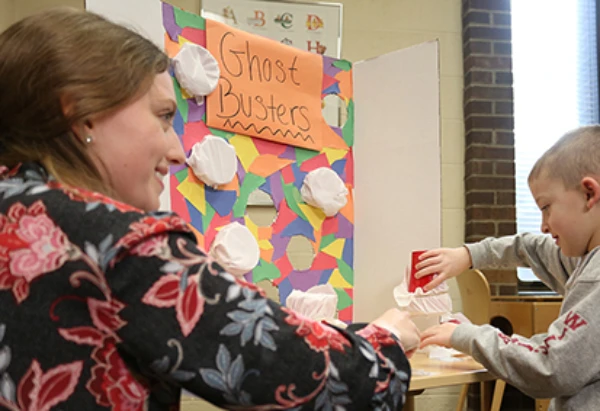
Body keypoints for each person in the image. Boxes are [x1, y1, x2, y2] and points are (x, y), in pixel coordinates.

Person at [0, 7, 419, 411]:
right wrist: (387, 338)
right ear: (80, 111)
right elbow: (318, 380)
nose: (177, 151)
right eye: (163, 117)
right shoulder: (123, 245)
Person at [417, 125, 600, 410]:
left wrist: (467, 336)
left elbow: (549, 366)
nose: (543, 224)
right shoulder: (584, 259)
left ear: (589, 194)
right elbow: (528, 248)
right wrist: (468, 255)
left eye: (546, 207)